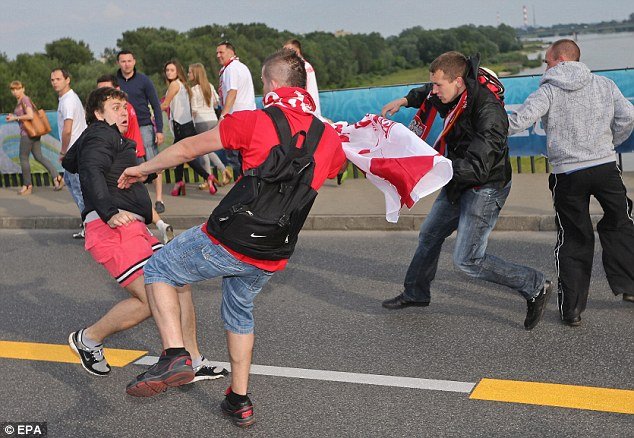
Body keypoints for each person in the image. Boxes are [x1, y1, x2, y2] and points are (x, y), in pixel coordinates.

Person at [118, 48, 346, 427]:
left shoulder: (253, 121)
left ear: (270, 84)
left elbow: (188, 148)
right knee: (239, 312)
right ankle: (239, 400)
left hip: (231, 237)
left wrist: (142, 169)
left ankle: (174, 354)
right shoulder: (329, 138)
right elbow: (333, 170)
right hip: (273, 249)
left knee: (159, 268)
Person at [63, 86, 227, 383]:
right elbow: (90, 171)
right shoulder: (100, 134)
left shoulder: (113, 139)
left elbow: (118, 175)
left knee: (179, 284)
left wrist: (148, 177)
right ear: (98, 114)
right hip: (112, 228)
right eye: (115, 107)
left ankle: (193, 360)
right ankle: (88, 339)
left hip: (133, 227)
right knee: (153, 298)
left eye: (124, 107)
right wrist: (109, 213)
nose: (123, 112)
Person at [380, 51, 552, 330]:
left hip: (485, 187)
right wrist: (405, 100)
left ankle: (534, 284)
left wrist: (430, 167)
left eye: (439, 85)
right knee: (429, 235)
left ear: (458, 81)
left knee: (468, 260)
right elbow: (429, 93)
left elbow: (478, 168)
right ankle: (416, 293)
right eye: (433, 84)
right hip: (458, 178)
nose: (434, 92)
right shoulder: (454, 90)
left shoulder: (489, 113)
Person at [507, 39, 634, 325]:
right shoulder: (605, 84)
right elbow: (628, 116)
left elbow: (519, 121)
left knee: (574, 237)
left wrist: (484, 124)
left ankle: (572, 310)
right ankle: (630, 284)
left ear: (561, 60)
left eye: (547, 61)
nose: (545, 67)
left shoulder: (548, 90)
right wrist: (610, 144)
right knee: (621, 221)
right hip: (605, 168)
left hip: (568, 173)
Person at [96, 74, 173, 244]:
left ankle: (145, 231)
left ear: (116, 89)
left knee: (128, 192)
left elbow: (123, 133)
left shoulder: (120, 110)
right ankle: (160, 225)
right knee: (137, 191)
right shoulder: (121, 108)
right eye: (100, 90)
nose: (102, 94)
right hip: (131, 152)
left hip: (127, 154)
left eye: (106, 90)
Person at [116, 50, 166, 214]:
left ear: (134, 61)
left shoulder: (144, 80)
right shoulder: (115, 82)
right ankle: (136, 200)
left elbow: (156, 105)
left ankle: (159, 199)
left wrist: (159, 130)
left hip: (144, 126)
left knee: (154, 162)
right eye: (123, 61)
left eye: (129, 61)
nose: (126, 64)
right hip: (123, 128)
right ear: (118, 63)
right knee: (128, 163)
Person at [161, 60, 218, 196]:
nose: (169, 73)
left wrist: (151, 112)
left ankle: (207, 176)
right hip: (187, 125)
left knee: (183, 156)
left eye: (172, 70)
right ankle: (179, 182)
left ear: (177, 72)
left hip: (181, 127)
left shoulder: (174, 85)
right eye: (167, 70)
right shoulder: (183, 85)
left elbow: (165, 104)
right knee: (180, 156)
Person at [5, 80, 63, 195]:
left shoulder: (25, 99)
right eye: (13, 89)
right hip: (33, 133)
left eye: (18, 89)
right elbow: (25, 116)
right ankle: (57, 177)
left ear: (23, 88)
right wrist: (15, 116)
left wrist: (15, 118)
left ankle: (27, 185)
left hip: (27, 133)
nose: (15, 91)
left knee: (23, 158)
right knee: (38, 156)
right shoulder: (20, 101)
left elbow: (30, 115)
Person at [51, 68, 87, 239]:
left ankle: (89, 225)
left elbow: (67, 129)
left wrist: (64, 152)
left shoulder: (68, 101)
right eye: (52, 80)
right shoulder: (68, 98)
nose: (55, 82)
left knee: (79, 190)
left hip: (74, 151)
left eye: (58, 79)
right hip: (77, 149)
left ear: (67, 80)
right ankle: (88, 221)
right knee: (70, 182)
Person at [187, 62, 231, 188]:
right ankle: (222, 171)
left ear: (195, 74)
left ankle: (210, 177)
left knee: (203, 151)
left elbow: (194, 109)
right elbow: (217, 103)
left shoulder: (194, 90)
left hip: (201, 122)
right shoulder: (209, 86)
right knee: (208, 150)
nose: (188, 74)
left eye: (190, 72)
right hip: (212, 119)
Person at [216, 41, 256, 177]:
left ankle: (243, 183)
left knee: (234, 155)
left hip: (236, 117)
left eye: (221, 52)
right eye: (217, 53)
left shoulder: (230, 69)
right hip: (249, 116)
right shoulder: (242, 67)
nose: (218, 55)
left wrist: (223, 116)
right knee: (246, 156)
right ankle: (250, 183)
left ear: (231, 52)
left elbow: (232, 92)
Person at [284, 39, 321, 118]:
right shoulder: (304, 66)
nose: (284, 54)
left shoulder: (302, 67)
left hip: (307, 110)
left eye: (287, 51)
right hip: (310, 110)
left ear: (296, 51)